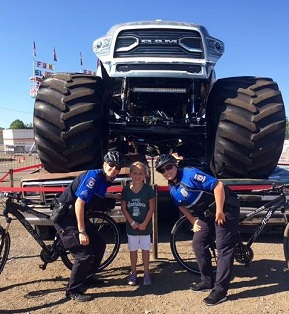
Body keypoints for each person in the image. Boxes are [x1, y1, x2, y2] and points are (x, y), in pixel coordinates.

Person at [155, 154, 240, 306]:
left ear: (175, 165)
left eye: (169, 166)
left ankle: (220, 291)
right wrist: (193, 221)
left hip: (225, 207)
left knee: (223, 248)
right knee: (198, 244)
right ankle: (207, 281)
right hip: (205, 213)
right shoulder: (172, 186)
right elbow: (179, 204)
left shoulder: (190, 174)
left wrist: (219, 210)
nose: (167, 171)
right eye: (162, 170)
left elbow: (218, 185)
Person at [52, 151, 124, 302]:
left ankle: (88, 277)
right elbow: (79, 203)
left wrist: (113, 196)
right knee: (84, 255)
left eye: (117, 167)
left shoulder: (105, 180)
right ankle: (73, 291)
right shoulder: (93, 177)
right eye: (111, 165)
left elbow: (95, 193)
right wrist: (82, 231)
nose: (114, 169)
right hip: (66, 216)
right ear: (104, 164)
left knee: (99, 245)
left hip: (76, 214)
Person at [121, 161, 156, 286]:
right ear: (130, 174)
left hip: (145, 227)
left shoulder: (148, 190)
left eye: (140, 173)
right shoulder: (126, 190)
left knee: (146, 250)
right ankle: (134, 272)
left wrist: (145, 223)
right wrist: (132, 222)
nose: (137, 176)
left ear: (145, 175)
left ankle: (147, 273)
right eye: (135, 173)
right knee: (133, 250)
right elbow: (124, 208)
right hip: (132, 227)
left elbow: (151, 208)